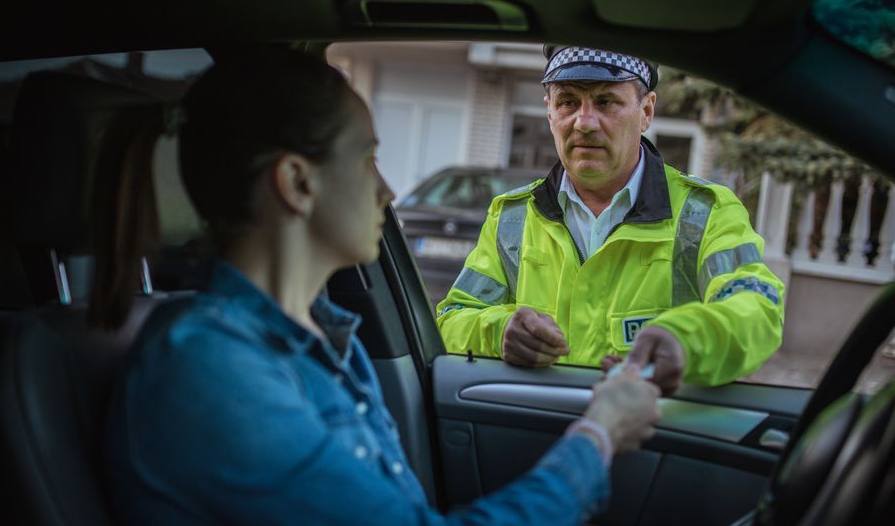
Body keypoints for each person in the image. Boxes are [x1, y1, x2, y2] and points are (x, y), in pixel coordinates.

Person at [91, 49, 661, 525]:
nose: (388, 190)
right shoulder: (209, 368)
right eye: (367, 159)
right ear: (296, 182)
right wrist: (599, 436)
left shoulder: (326, 339)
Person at [437, 45, 785, 394]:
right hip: (535, 430)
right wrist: (497, 333)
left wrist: (685, 341)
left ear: (646, 111)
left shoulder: (705, 213)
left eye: (606, 102)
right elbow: (452, 318)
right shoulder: (511, 217)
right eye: (568, 102)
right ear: (550, 113)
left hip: (647, 433)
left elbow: (757, 307)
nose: (584, 122)